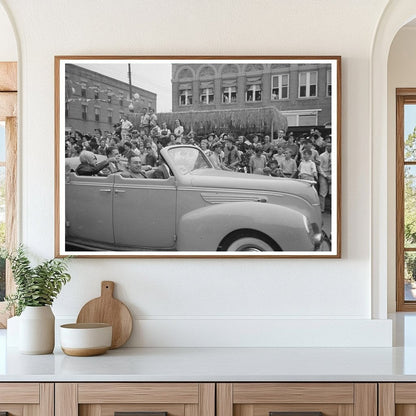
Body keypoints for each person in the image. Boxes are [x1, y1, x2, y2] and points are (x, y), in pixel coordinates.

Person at [318, 143, 332, 212]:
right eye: (328, 146)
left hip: (331, 173)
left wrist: (331, 176)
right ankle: (322, 209)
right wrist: (325, 176)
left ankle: (332, 208)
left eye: (331, 146)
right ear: (326, 147)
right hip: (324, 173)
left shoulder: (335, 155)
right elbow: (319, 167)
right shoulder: (322, 156)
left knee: (332, 191)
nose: (330, 147)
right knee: (323, 191)